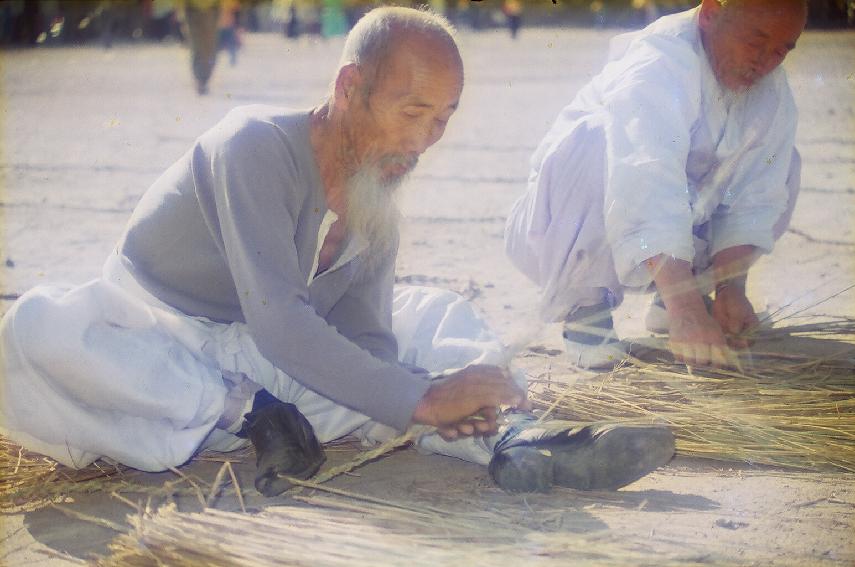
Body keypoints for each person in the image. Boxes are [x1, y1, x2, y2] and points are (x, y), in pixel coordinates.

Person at [0, 7, 674, 496]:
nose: (424, 141)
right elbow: (281, 322)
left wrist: (429, 395)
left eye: (442, 119)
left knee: (434, 316)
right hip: (160, 356)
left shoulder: (376, 202)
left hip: (283, 379)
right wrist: (415, 395)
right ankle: (246, 413)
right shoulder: (253, 144)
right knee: (35, 327)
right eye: (411, 112)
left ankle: (513, 441)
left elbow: (365, 344)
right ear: (349, 88)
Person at [505, 0, 806, 370]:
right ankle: (587, 309)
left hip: (661, 242)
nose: (767, 61)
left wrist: (731, 288)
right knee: (595, 139)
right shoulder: (658, 61)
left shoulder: (771, 89)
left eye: (781, 50)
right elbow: (646, 179)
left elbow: (756, 194)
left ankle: (685, 294)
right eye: (755, 42)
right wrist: (688, 310)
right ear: (711, 14)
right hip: (565, 234)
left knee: (784, 162)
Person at [179, 0, 221, 94]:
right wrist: (180, 10)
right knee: (197, 46)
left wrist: (227, 9)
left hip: (213, 9)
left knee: (209, 47)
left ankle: (205, 78)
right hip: (192, 10)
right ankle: (200, 79)